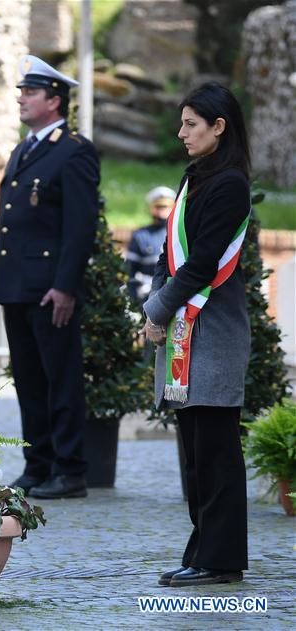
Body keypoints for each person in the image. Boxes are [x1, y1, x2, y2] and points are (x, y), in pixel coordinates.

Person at [143, 82, 251, 587]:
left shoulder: (229, 184)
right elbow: (172, 255)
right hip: (185, 326)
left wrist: (156, 310)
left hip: (213, 331)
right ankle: (201, 551)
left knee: (216, 452)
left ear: (218, 127)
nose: (181, 132)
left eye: (191, 123)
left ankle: (222, 560)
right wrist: (157, 306)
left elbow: (204, 263)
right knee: (194, 456)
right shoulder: (195, 177)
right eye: (182, 122)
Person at [0, 55, 99, 500]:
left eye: (30, 92)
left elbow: (79, 226)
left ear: (54, 101)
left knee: (60, 378)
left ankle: (70, 468)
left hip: (50, 287)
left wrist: (66, 285)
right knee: (31, 381)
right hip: (19, 284)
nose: (21, 98)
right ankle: (38, 464)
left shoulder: (74, 151)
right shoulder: (25, 148)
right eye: (21, 91)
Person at [125, 186, 176, 306]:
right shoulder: (141, 236)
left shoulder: (177, 235)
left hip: (174, 293)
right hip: (146, 295)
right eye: (158, 207)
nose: (161, 212)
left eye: (165, 207)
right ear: (152, 208)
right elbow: (130, 271)